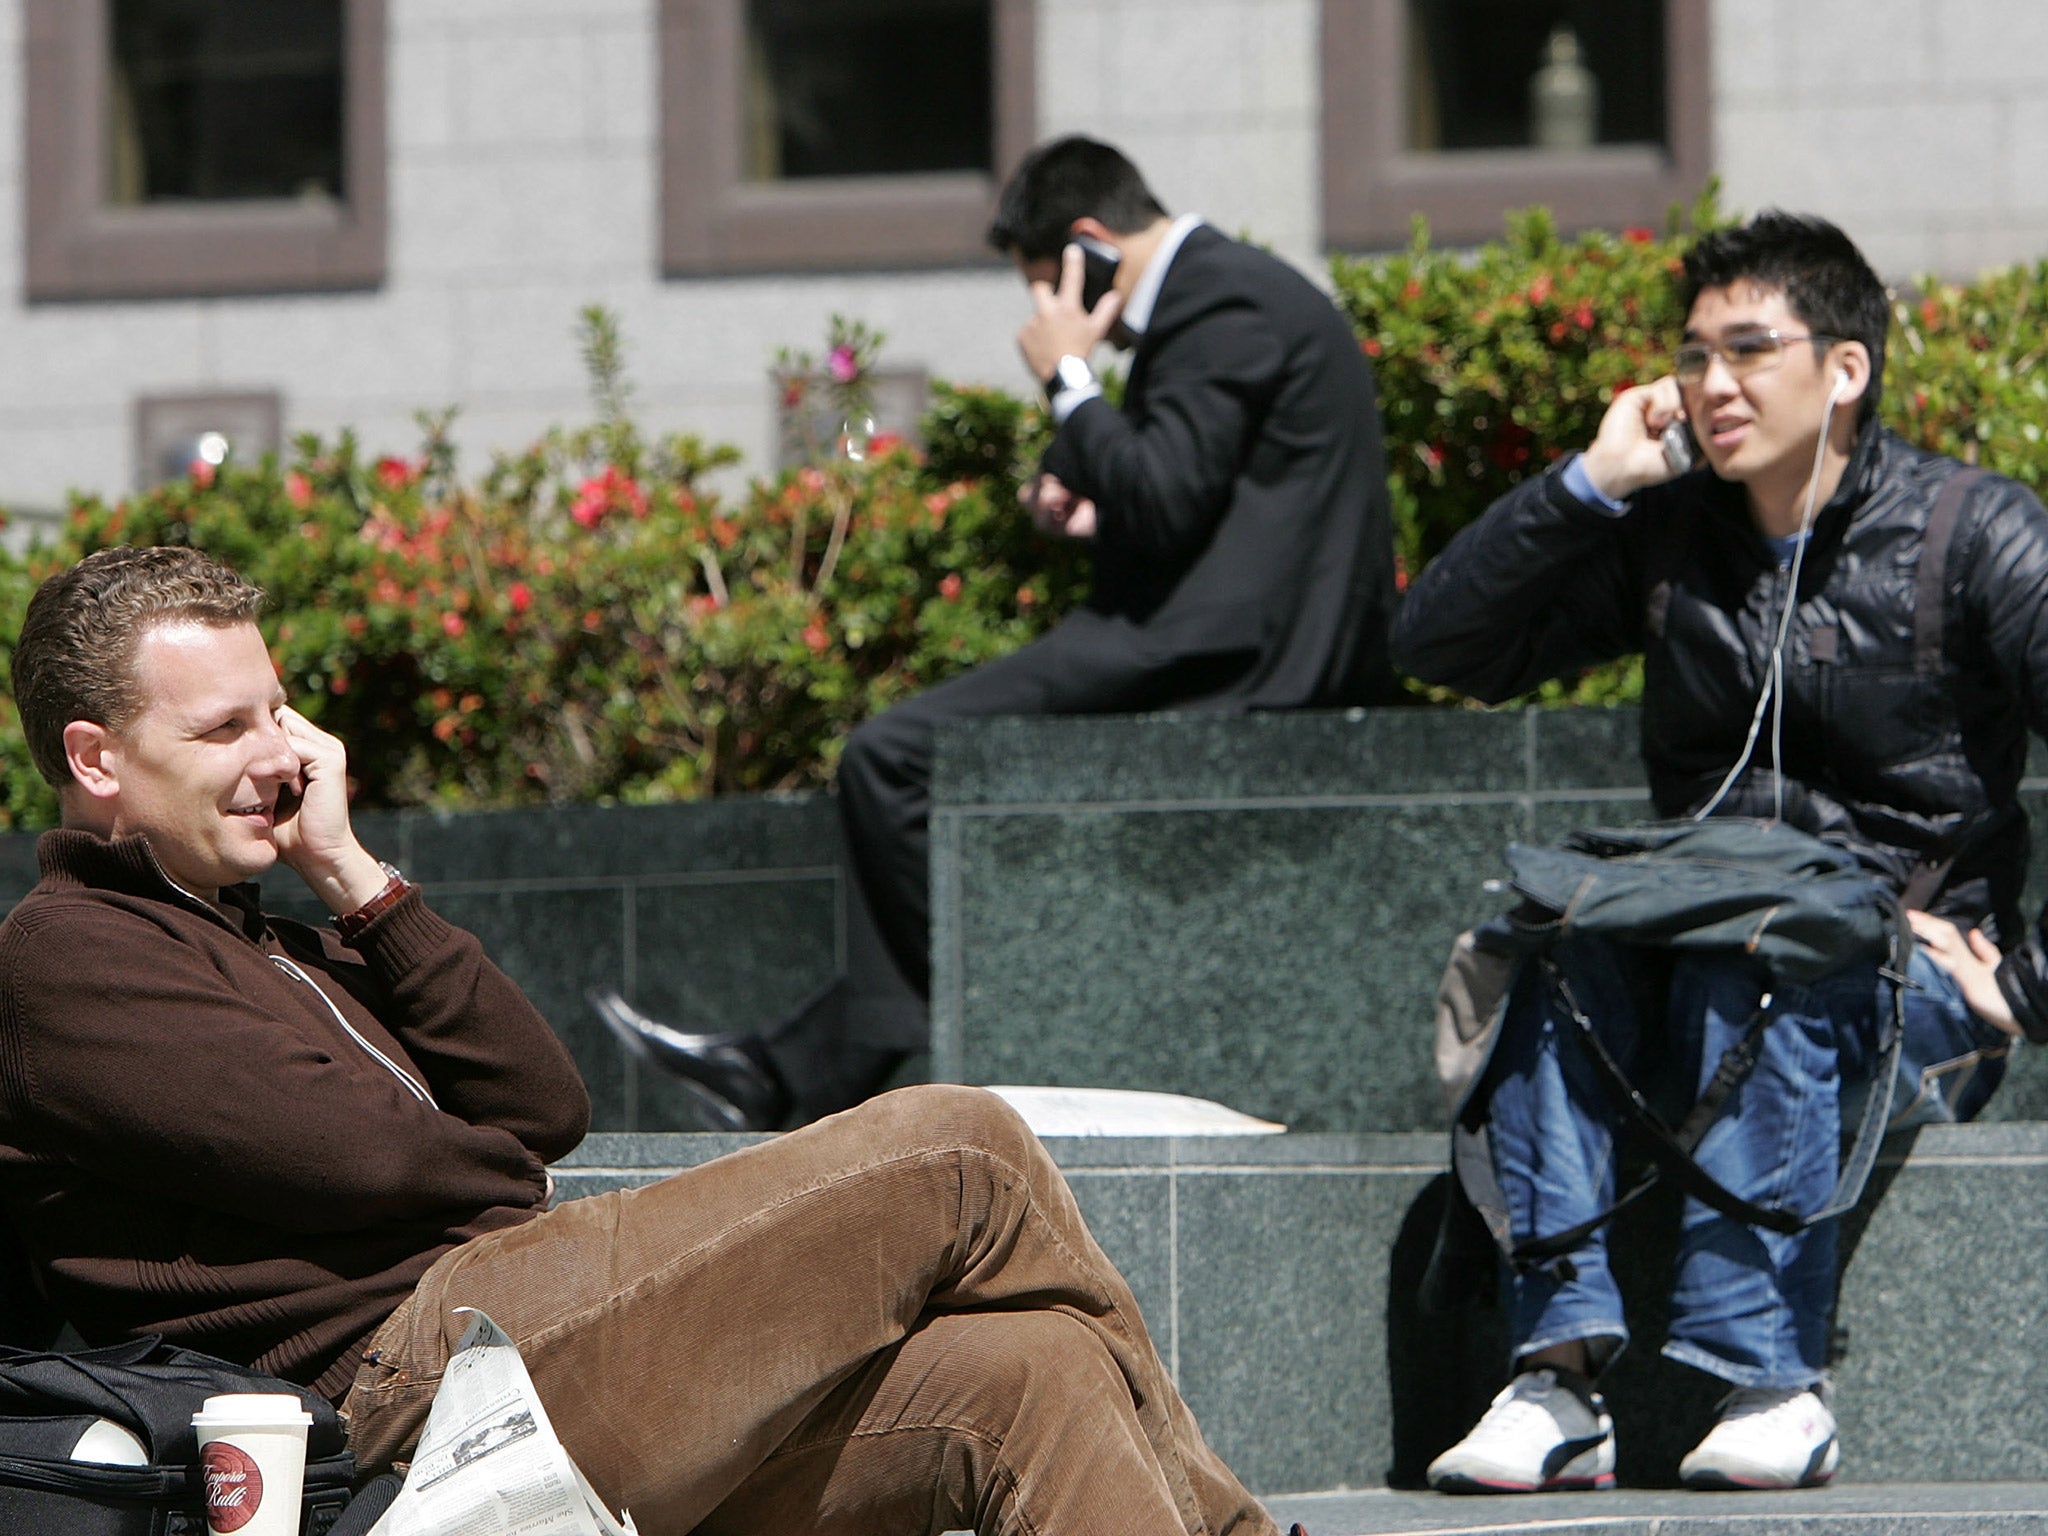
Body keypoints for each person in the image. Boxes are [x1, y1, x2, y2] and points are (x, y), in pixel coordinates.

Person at [0, 545, 1285, 1536]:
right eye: (223, 729)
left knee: (1027, 1370)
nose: (277, 757)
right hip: (397, 1390)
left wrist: (357, 882)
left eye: (277, 714)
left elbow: (541, 1102)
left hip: (528, 1340)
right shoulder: (70, 955)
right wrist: (493, 1169)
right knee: (962, 1146)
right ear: (96, 760)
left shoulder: (290, 931)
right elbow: (378, 1166)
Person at [1392, 212, 2048, 1492]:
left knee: (1766, 969)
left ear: (1844, 367)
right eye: (1693, 356)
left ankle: (1770, 1382)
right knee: (1560, 953)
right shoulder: (1670, 533)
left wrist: (2021, 988)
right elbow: (1435, 647)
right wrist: (1586, 486)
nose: (1711, 385)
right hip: (1682, 945)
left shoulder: (1973, 534)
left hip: (1884, 976)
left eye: (1750, 349)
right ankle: (1556, 1377)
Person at [602, 134, 1398, 1131]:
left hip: (1229, 657)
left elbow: (1166, 495)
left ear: (1086, 247)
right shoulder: (1225, 293)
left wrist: (1067, 379)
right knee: (902, 760)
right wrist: (1096, 499)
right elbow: (1193, 499)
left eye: (1040, 283)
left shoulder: (1219, 300)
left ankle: (893, 1039)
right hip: (1213, 630)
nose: (1040, 312)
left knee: (889, 757)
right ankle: (797, 1067)